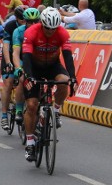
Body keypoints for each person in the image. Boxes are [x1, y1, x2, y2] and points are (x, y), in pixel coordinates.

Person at [20, 8, 77, 162]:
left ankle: (56, 110)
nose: (51, 31)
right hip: (34, 67)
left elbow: (67, 56)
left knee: (64, 81)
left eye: (54, 28)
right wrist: (29, 77)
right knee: (32, 105)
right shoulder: (32, 32)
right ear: (42, 24)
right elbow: (26, 57)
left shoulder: (62, 33)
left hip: (52, 65)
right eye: (47, 28)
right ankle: (30, 143)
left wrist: (73, 77)